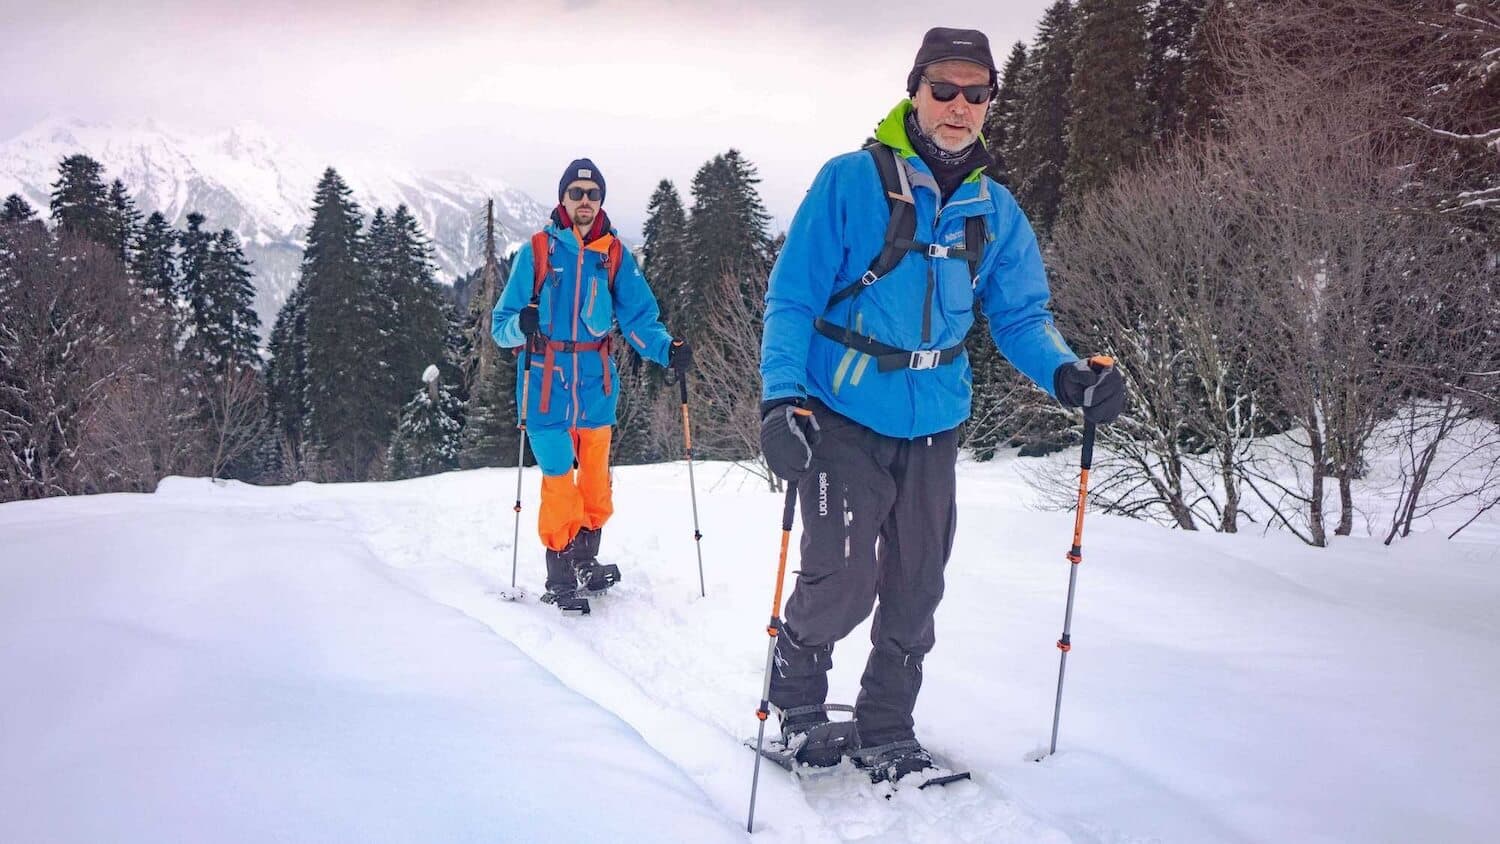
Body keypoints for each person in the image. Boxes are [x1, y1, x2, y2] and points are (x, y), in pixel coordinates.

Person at [757, 27, 1125, 780]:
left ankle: (886, 721)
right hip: (841, 413)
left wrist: (1064, 375)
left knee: (918, 584)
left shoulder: (996, 208)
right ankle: (796, 700)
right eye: (944, 89)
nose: (960, 106)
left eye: (977, 92)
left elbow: (1021, 317)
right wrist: (780, 400)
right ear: (914, 91)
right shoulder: (849, 182)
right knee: (844, 578)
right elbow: (791, 300)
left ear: (991, 100)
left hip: (934, 422)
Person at [492, 158, 692, 608]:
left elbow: (640, 319)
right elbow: (500, 324)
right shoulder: (539, 251)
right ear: (562, 198)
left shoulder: (614, 255)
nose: (585, 201)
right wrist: (520, 326)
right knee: (560, 480)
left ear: (601, 200)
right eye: (576, 193)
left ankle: (585, 559)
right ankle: (559, 573)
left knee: (597, 484)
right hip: (545, 388)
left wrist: (667, 349)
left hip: (596, 388)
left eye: (593, 194)